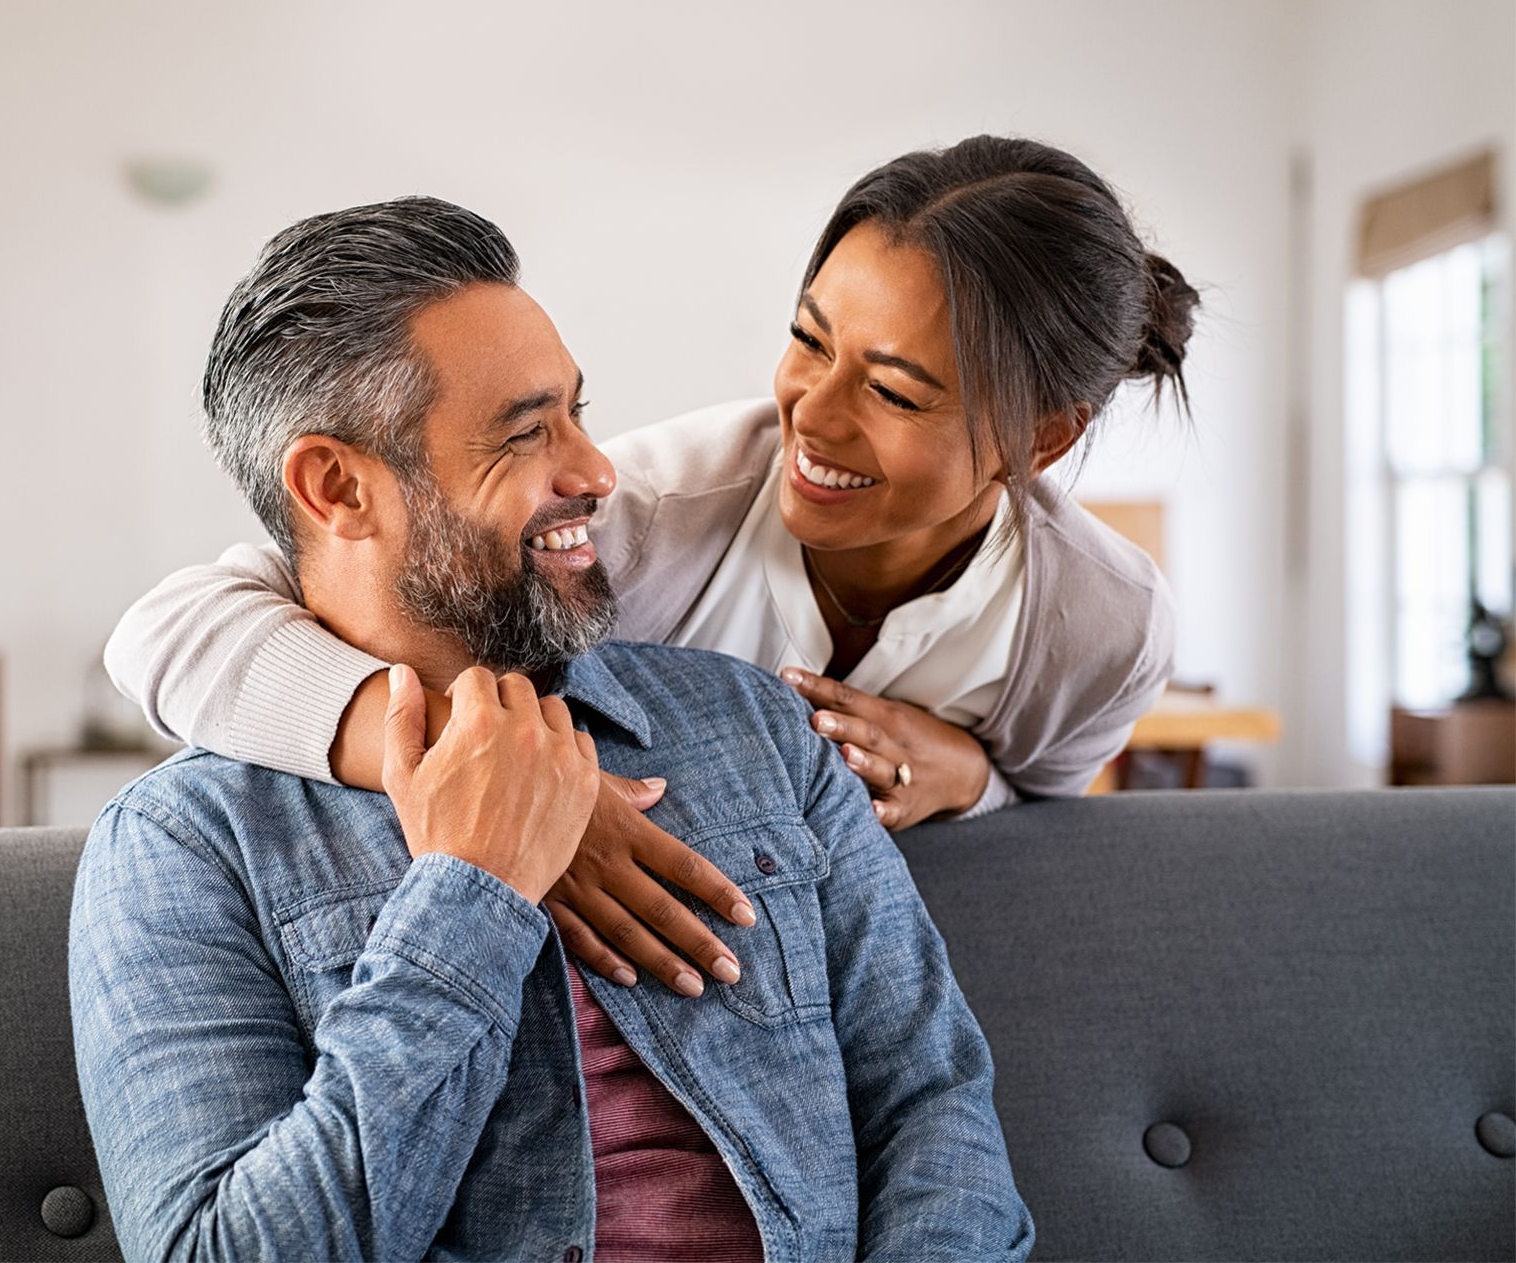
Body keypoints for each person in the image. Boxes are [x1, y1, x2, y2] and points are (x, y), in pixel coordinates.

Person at [69, 197, 1032, 1261]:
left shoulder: (759, 727)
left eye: (578, 412)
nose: (596, 471)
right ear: (337, 486)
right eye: (528, 432)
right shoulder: (185, 845)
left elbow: (934, 1103)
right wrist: (469, 893)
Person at [104, 135, 1195, 997]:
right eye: (808, 339)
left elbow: (1050, 828)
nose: (809, 413)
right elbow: (170, 630)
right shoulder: (648, 515)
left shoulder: (1103, 626)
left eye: (896, 391)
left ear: (1041, 439)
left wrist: (975, 779)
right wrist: (506, 780)